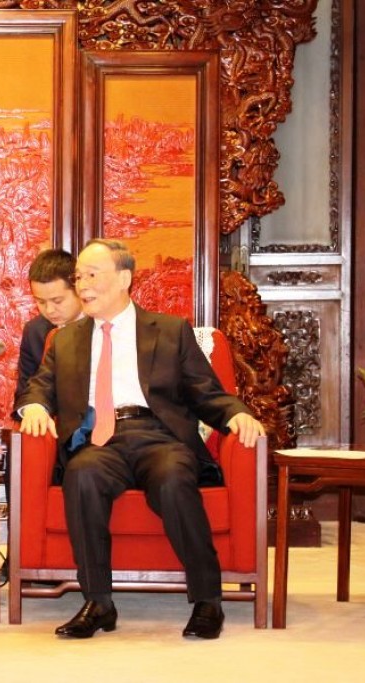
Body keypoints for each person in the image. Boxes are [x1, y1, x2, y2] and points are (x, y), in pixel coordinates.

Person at [18, 238, 264, 641]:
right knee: (81, 475)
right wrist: (34, 408)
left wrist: (236, 413)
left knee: (173, 478)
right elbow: (38, 388)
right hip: (99, 441)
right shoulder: (64, 340)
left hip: (158, 436)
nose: (83, 285)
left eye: (92, 275)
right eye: (79, 277)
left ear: (124, 279)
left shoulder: (169, 330)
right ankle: (99, 602)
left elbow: (206, 392)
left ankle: (207, 600)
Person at [13, 248, 82, 414]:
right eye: (41, 302)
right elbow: (24, 393)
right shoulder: (35, 331)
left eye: (57, 301)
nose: (49, 310)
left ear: (79, 289)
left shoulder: (102, 326)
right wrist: (31, 409)